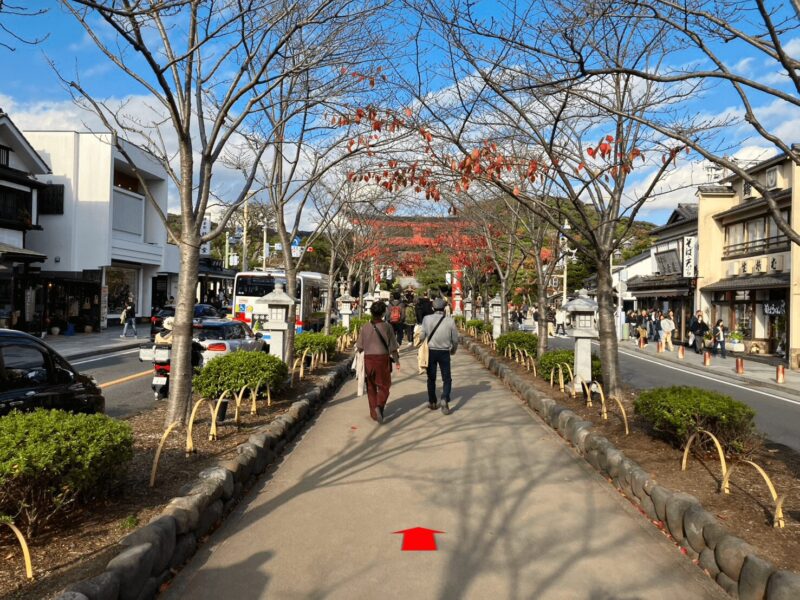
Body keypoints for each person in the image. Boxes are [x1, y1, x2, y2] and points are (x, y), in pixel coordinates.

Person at [355, 301, 399, 424]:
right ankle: (379, 406)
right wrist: (397, 360)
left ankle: (374, 413)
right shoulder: (387, 327)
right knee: (384, 386)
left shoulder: (365, 327)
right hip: (382, 359)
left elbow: (359, 347)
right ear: (384, 313)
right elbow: (393, 347)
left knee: (371, 386)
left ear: (371, 312)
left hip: (368, 360)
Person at [420, 297, 459, 415]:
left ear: (433, 308)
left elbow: (422, 337)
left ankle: (432, 401)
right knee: (447, 378)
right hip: (444, 352)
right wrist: (453, 350)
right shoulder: (450, 321)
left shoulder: (426, 319)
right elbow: (455, 340)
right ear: (444, 308)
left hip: (431, 351)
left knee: (431, 378)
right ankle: (444, 398)